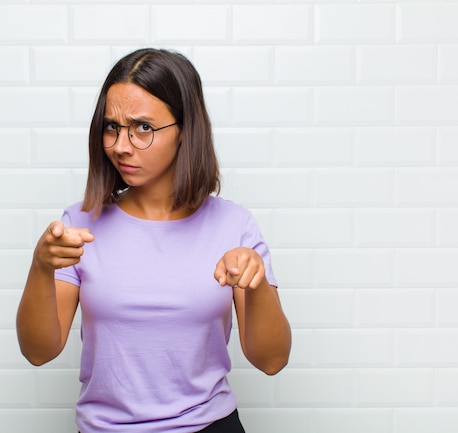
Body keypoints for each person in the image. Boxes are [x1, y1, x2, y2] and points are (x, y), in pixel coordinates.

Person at [16, 48, 291, 433]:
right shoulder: (78, 225)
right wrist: (41, 267)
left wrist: (256, 282)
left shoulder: (234, 225)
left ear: (184, 130)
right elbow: (38, 352)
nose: (120, 145)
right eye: (112, 126)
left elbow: (272, 360)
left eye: (143, 127)